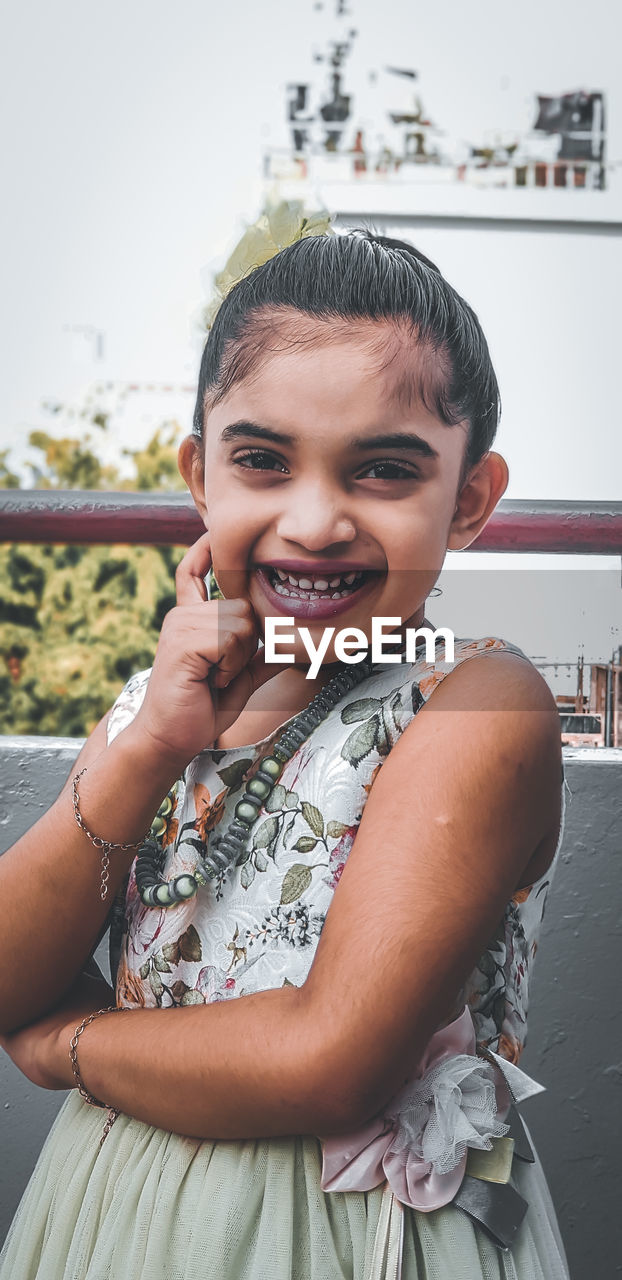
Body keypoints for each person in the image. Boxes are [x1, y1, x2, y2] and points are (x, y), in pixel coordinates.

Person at [0, 219, 571, 1279]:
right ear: (200, 474)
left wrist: (64, 1045)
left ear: (471, 499)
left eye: (384, 471)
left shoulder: (476, 704)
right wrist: (149, 748)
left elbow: (329, 1058)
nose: (313, 521)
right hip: (109, 1217)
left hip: (348, 1238)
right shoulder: (159, 702)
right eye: (262, 459)